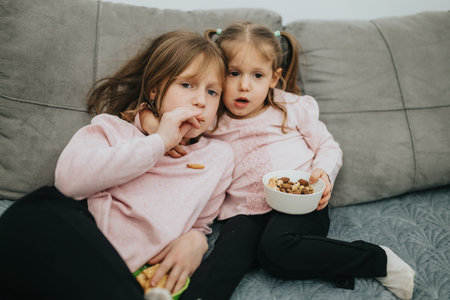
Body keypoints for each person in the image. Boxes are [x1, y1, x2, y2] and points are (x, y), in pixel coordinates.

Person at [141, 22, 415, 300]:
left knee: (275, 254)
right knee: (227, 256)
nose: (244, 86)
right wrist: (149, 121)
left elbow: (327, 146)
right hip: (245, 212)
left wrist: (324, 173)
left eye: (257, 75)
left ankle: (377, 259)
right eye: (234, 73)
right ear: (219, 75)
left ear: (274, 78)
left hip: (301, 202)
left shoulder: (291, 107)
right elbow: (166, 119)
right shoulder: (212, 119)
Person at [0, 31, 234, 300]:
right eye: (187, 85)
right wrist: (158, 143)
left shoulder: (219, 156)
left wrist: (198, 241)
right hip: (83, 245)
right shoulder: (112, 128)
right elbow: (68, 182)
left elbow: (200, 222)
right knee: (39, 206)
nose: (201, 101)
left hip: (123, 274)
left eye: (212, 91)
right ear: (155, 89)